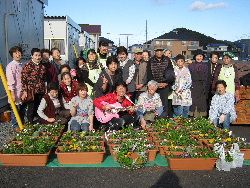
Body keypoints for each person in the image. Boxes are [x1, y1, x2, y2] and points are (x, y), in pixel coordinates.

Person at [21, 48, 46, 124]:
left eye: (39, 55)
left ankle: (39, 121)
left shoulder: (43, 67)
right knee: (31, 108)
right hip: (31, 91)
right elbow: (23, 79)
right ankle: (30, 123)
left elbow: (44, 79)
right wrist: (25, 91)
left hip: (41, 90)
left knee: (40, 106)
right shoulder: (27, 66)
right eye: (36, 55)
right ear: (32, 56)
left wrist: (45, 89)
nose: (38, 57)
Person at [147, 46, 175, 117]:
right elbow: (149, 74)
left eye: (160, 51)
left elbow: (171, 73)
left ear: (162, 52)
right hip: (154, 86)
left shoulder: (167, 59)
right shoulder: (151, 60)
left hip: (165, 85)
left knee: (164, 104)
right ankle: (154, 118)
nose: (159, 52)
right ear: (155, 52)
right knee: (154, 103)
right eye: (157, 51)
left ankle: (163, 119)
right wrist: (156, 84)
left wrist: (166, 83)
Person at [6, 46, 26, 129]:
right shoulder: (11, 65)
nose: (18, 54)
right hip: (15, 93)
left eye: (19, 52)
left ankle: (21, 126)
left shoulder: (21, 64)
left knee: (22, 110)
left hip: (21, 92)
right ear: (12, 55)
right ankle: (15, 127)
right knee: (15, 111)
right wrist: (12, 94)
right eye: (15, 53)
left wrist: (24, 91)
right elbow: (10, 81)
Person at [188, 49, 209, 117]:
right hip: (193, 86)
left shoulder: (205, 66)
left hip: (202, 86)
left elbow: (206, 77)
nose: (199, 58)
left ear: (202, 57)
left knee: (201, 102)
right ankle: (192, 116)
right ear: (195, 57)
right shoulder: (191, 65)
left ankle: (200, 118)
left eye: (200, 56)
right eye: (197, 56)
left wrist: (205, 87)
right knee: (193, 102)